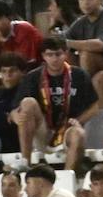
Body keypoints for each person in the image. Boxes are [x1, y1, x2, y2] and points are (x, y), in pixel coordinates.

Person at [12, 37, 94, 171]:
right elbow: (15, 108)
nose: (55, 59)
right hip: (43, 129)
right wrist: (16, 116)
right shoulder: (33, 77)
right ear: (43, 56)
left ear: (66, 54)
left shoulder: (79, 75)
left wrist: (79, 120)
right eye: (50, 55)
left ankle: (68, 175)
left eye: (58, 54)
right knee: (28, 102)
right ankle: (25, 162)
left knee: (78, 133)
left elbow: (95, 106)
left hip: (67, 128)